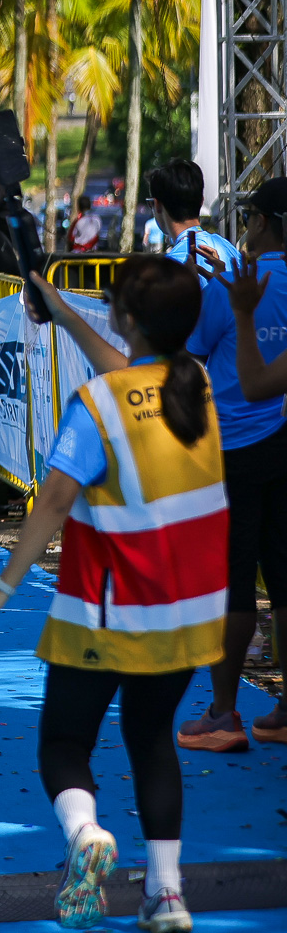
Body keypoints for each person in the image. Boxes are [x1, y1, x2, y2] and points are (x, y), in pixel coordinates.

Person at [0, 259, 226, 933]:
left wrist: (0, 591)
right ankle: (166, 894)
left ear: (125, 319)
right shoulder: (197, 386)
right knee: (152, 741)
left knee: (65, 744)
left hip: (107, 610)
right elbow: (130, 374)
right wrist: (64, 314)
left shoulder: (98, 404)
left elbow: (54, 502)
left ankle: (85, 835)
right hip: (186, 611)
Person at [187, 180, 287, 748]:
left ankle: (224, 714)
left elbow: (197, 351)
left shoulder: (230, 287)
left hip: (234, 449)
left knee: (234, 583)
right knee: (284, 577)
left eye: (248, 217)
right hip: (281, 445)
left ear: (263, 222)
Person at [147, 160, 241, 279]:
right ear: (201, 201)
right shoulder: (229, 249)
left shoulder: (170, 269)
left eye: (150, 203)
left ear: (157, 205)